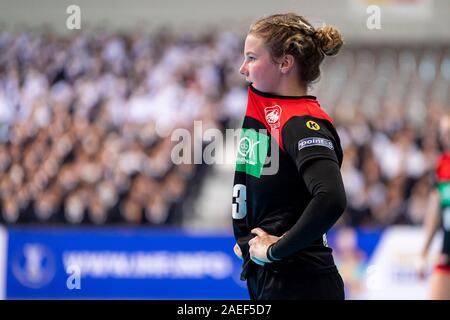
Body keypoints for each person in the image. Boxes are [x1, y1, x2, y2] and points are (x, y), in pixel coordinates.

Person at [232, 13, 346, 300]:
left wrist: (274, 249)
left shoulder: (300, 122)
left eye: (251, 58)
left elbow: (331, 198)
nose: (242, 68)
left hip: (300, 284)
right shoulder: (268, 112)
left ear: (285, 63)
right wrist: (249, 239)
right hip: (271, 279)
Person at [418, 115, 450, 299]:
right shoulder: (443, 165)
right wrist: (424, 252)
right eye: (444, 133)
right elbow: (435, 212)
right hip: (447, 249)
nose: (447, 137)